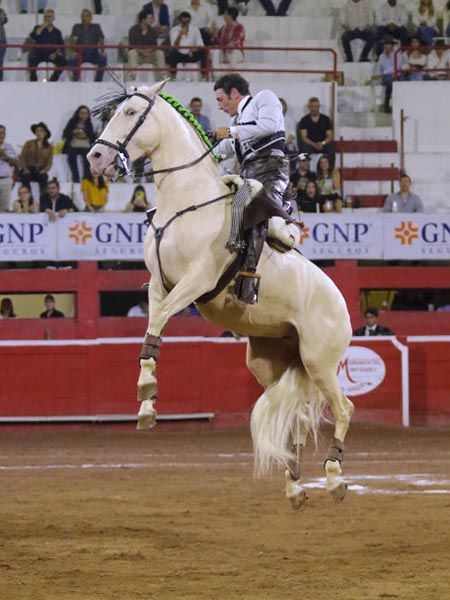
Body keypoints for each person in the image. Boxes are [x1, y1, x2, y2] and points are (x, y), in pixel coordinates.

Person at [213, 73, 290, 304]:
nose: (219, 106)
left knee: (256, 210)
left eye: (221, 100)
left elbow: (268, 126)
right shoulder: (237, 123)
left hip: (272, 171)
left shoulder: (264, 98)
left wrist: (231, 132)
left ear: (234, 93)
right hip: (248, 175)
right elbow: (226, 148)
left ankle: (248, 279)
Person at [27, 8, 67, 82]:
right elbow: (33, 36)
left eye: (49, 17)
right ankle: (33, 80)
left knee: (63, 61)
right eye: (45, 17)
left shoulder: (57, 32)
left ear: (53, 18)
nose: (47, 19)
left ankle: (53, 79)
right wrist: (43, 26)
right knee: (32, 59)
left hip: (52, 54)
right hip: (40, 54)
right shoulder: (38, 28)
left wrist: (55, 53)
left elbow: (61, 46)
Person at [127, 10, 166, 82]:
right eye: (150, 18)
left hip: (149, 54)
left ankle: (162, 76)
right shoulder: (133, 30)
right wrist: (142, 51)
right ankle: (133, 75)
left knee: (160, 53)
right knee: (132, 53)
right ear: (143, 19)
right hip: (138, 54)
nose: (152, 20)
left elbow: (154, 45)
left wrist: (148, 51)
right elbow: (132, 44)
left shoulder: (153, 31)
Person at [69, 9, 107, 82]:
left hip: (93, 54)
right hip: (80, 54)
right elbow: (73, 41)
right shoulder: (76, 27)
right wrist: (73, 51)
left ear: (91, 17)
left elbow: (101, 39)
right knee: (73, 59)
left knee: (103, 58)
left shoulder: (96, 27)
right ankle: (76, 81)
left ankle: (98, 81)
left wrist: (102, 51)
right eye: (83, 16)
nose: (84, 18)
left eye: (86, 16)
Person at [296, 97, 335, 168]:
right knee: (304, 151)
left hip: (323, 144)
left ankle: (330, 170)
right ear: (309, 107)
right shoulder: (304, 120)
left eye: (316, 106)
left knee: (330, 149)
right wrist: (314, 144)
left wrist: (322, 143)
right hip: (310, 144)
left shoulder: (326, 119)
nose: (314, 109)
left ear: (319, 107)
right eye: (312, 106)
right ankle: (305, 172)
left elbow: (329, 136)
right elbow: (304, 137)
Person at [62, 105, 96, 183]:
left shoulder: (89, 124)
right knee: (71, 157)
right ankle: (75, 178)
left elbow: (92, 137)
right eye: (81, 113)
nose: (83, 115)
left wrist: (85, 135)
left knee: (87, 158)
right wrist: (73, 132)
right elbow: (65, 134)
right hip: (73, 145)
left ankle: (86, 178)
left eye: (85, 113)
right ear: (78, 114)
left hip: (85, 145)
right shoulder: (72, 122)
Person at [168, 11, 207, 80]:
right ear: (180, 21)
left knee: (203, 51)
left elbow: (200, 44)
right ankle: (173, 75)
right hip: (179, 54)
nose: (185, 23)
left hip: (191, 54)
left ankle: (203, 75)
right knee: (172, 53)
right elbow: (174, 46)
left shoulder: (195, 29)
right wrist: (180, 35)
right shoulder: (174, 30)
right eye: (183, 21)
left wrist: (194, 49)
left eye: (187, 21)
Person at [366, 34, 399, 113]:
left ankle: (387, 104)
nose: (385, 46)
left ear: (392, 45)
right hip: (386, 77)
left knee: (389, 80)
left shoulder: (397, 54)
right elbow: (378, 68)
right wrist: (375, 77)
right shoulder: (381, 56)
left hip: (397, 76)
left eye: (387, 44)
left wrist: (382, 74)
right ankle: (386, 105)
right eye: (385, 44)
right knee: (387, 80)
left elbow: (396, 67)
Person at [19, 121, 53, 193]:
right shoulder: (28, 143)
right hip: (28, 168)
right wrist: (25, 168)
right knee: (24, 176)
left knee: (44, 178)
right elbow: (22, 158)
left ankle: (43, 198)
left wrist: (44, 170)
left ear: (45, 133)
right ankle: (28, 196)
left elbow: (49, 163)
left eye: (41, 131)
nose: (39, 133)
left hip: (40, 169)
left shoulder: (49, 147)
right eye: (37, 131)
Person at [0, 124, 19, 212]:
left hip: (6, 180)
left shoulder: (9, 147)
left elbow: (16, 162)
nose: (1, 135)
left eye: (3, 133)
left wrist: (5, 156)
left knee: (4, 208)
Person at [0, 6, 7, 82]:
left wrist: (2, 16)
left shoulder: (1, 11)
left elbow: (5, 20)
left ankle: (0, 79)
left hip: (1, 40)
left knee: (0, 60)